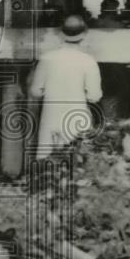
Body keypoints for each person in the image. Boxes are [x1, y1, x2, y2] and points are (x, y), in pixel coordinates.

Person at [29, 15, 102, 162]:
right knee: (76, 159)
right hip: (77, 116)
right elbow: (94, 96)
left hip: (51, 115)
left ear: (61, 34)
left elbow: (35, 91)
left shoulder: (47, 58)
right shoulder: (88, 61)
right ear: (84, 35)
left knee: (47, 160)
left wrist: (48, 91)